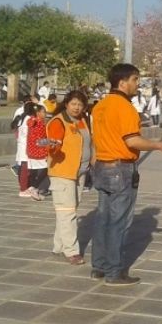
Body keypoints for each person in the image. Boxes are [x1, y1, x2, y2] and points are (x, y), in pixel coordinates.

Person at [90, 63, 162, 286]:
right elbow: (132, 140)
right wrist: (160, 146)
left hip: (101, 166)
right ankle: (114, 271)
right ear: (123, 82)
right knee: (119, 222)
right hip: (120, 169)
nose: (138, 85)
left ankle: (99, 267)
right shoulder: (124, 107)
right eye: (135, 80)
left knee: (103, 219)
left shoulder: (100, 106)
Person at [47, 91, 93, 266]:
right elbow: (53, 145)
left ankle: (59, 246)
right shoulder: (58, 121)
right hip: (63, 173)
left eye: (80, 104)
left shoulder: (82, 121)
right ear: (66, 104)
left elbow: (89, 142)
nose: (77, 107)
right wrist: (53, 147)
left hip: (80, 173)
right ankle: (71, 251)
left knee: (67, 211)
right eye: (74, 104)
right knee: (68, 212)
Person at [25, 104, 52, 200]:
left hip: (32, 150)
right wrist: (51, 142)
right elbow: (40, 139)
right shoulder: (39, 123)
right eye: (43, 112)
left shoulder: (34, 121)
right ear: (38, 113)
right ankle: (34, 188)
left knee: (35, 171)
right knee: (46, 170)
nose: (45, 114)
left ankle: (35, 189)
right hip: (39, 151)